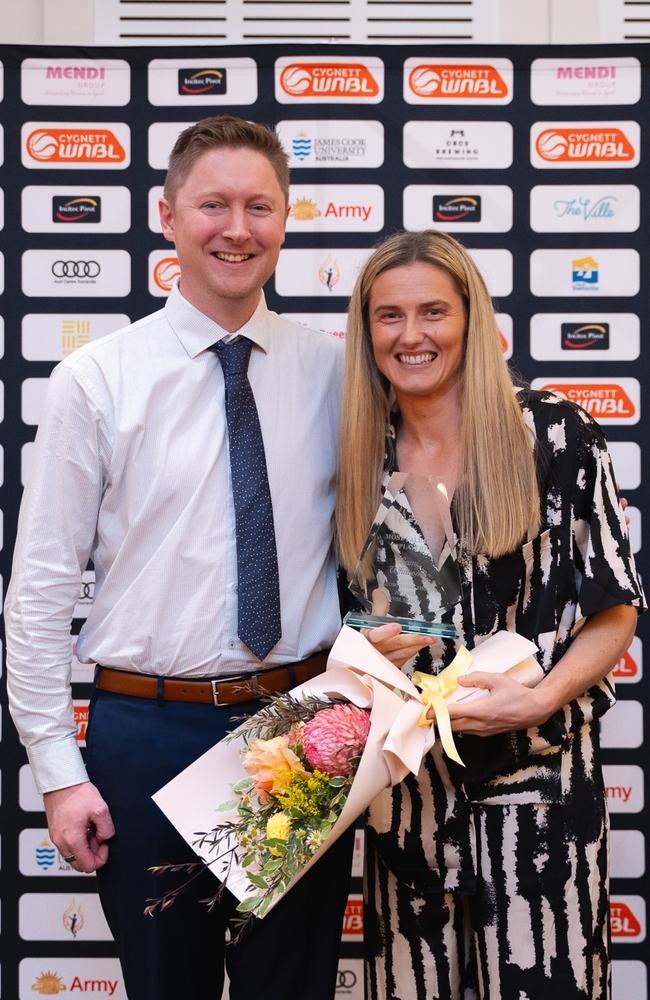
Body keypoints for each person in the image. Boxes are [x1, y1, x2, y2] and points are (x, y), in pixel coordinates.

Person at [5, 116, 352, 1000]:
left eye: (259, 207)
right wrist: (57, 773)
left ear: (285, 218)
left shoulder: (337, 375)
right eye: (213, 205)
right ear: (167, 216)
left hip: (297, 733)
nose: (237, 229)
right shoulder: (99, 378)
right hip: (146, 734)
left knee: (292, 990)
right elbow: (40, 592)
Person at [335, 230, 644, 1000]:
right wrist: (369, 649)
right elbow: (340, 626)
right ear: (366, 331)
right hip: (408, 806)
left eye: (434, 311)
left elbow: (615, 606)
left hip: (539, 796)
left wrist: (539, 697)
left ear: (472, 319)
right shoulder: (357, 457)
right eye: (390, 316)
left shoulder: (556, 435)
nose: (412, 335)